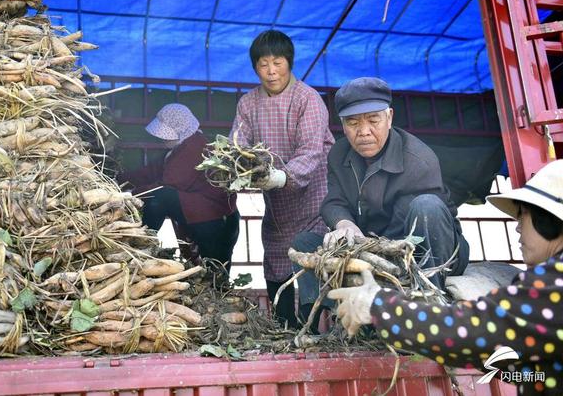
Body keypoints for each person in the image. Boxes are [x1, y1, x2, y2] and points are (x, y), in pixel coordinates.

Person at [328, 159, 563, 395]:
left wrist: (381, 307)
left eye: (524, 216)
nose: (518, 228)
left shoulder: (555, 288)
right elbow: (521, 365)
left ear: (549, 220)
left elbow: (475, 329)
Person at [292, 77, 469, 325]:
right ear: (342, 125)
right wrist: (345, 224)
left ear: (390, 117)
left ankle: (431, 307)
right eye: (353, 123)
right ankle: (322, 323)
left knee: (426, 206)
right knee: (304, 242)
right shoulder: (338, 154)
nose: (363, 131)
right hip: (369, 247)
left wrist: (365, 251)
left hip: (425, 249)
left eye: (373, 120)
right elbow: (333, 201)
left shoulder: (418, 159)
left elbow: (407, 232)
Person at [230, 30, 334, 327]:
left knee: (316, 259)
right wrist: (236, 165)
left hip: (314, 196)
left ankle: (315, 328)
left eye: (278, 62)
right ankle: (284, 327)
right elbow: (239, 143)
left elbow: (312, 152)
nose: (271, 71)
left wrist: (282, 177)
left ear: (289, 62)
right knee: (275, 259)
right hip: (276, 204)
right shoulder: (248, 103)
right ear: (255, 67)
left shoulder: (308, 99)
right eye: (263, 64)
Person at [119, 103, 240, 274]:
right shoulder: (177, 150)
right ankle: (141, 239)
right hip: (203, 217)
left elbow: (169, 184)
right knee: (206, 272)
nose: (162, 138)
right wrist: (118, 180)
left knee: (215, 273)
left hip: (216, 222)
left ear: (180, 130)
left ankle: (141, 240)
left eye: (165, 133)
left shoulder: (195, 148)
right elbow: (151, 171)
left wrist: (130, 194)